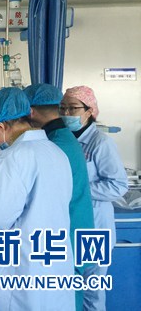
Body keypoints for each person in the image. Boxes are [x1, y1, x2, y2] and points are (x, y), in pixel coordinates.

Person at [0, 87, 75, 311]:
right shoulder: (55, 152)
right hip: (51, 260)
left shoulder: (13, 157)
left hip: (22, 266)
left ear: (0, 127)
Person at [25, 83, 95, 311]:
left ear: (30, 111)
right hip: (75, 227)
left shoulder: (56, 145)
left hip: (70, 232)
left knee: (67, 296)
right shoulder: (60, 138)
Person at [61, 86, 128, 311]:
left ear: (89, 111)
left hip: (94, 228)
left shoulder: (100, 143)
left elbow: (118, 185)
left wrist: (78, 189)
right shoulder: (63, 139)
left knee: (91, 292)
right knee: (69, 288)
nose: (66, 113)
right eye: (62, 108)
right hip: (70, 225)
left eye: (73, 108)